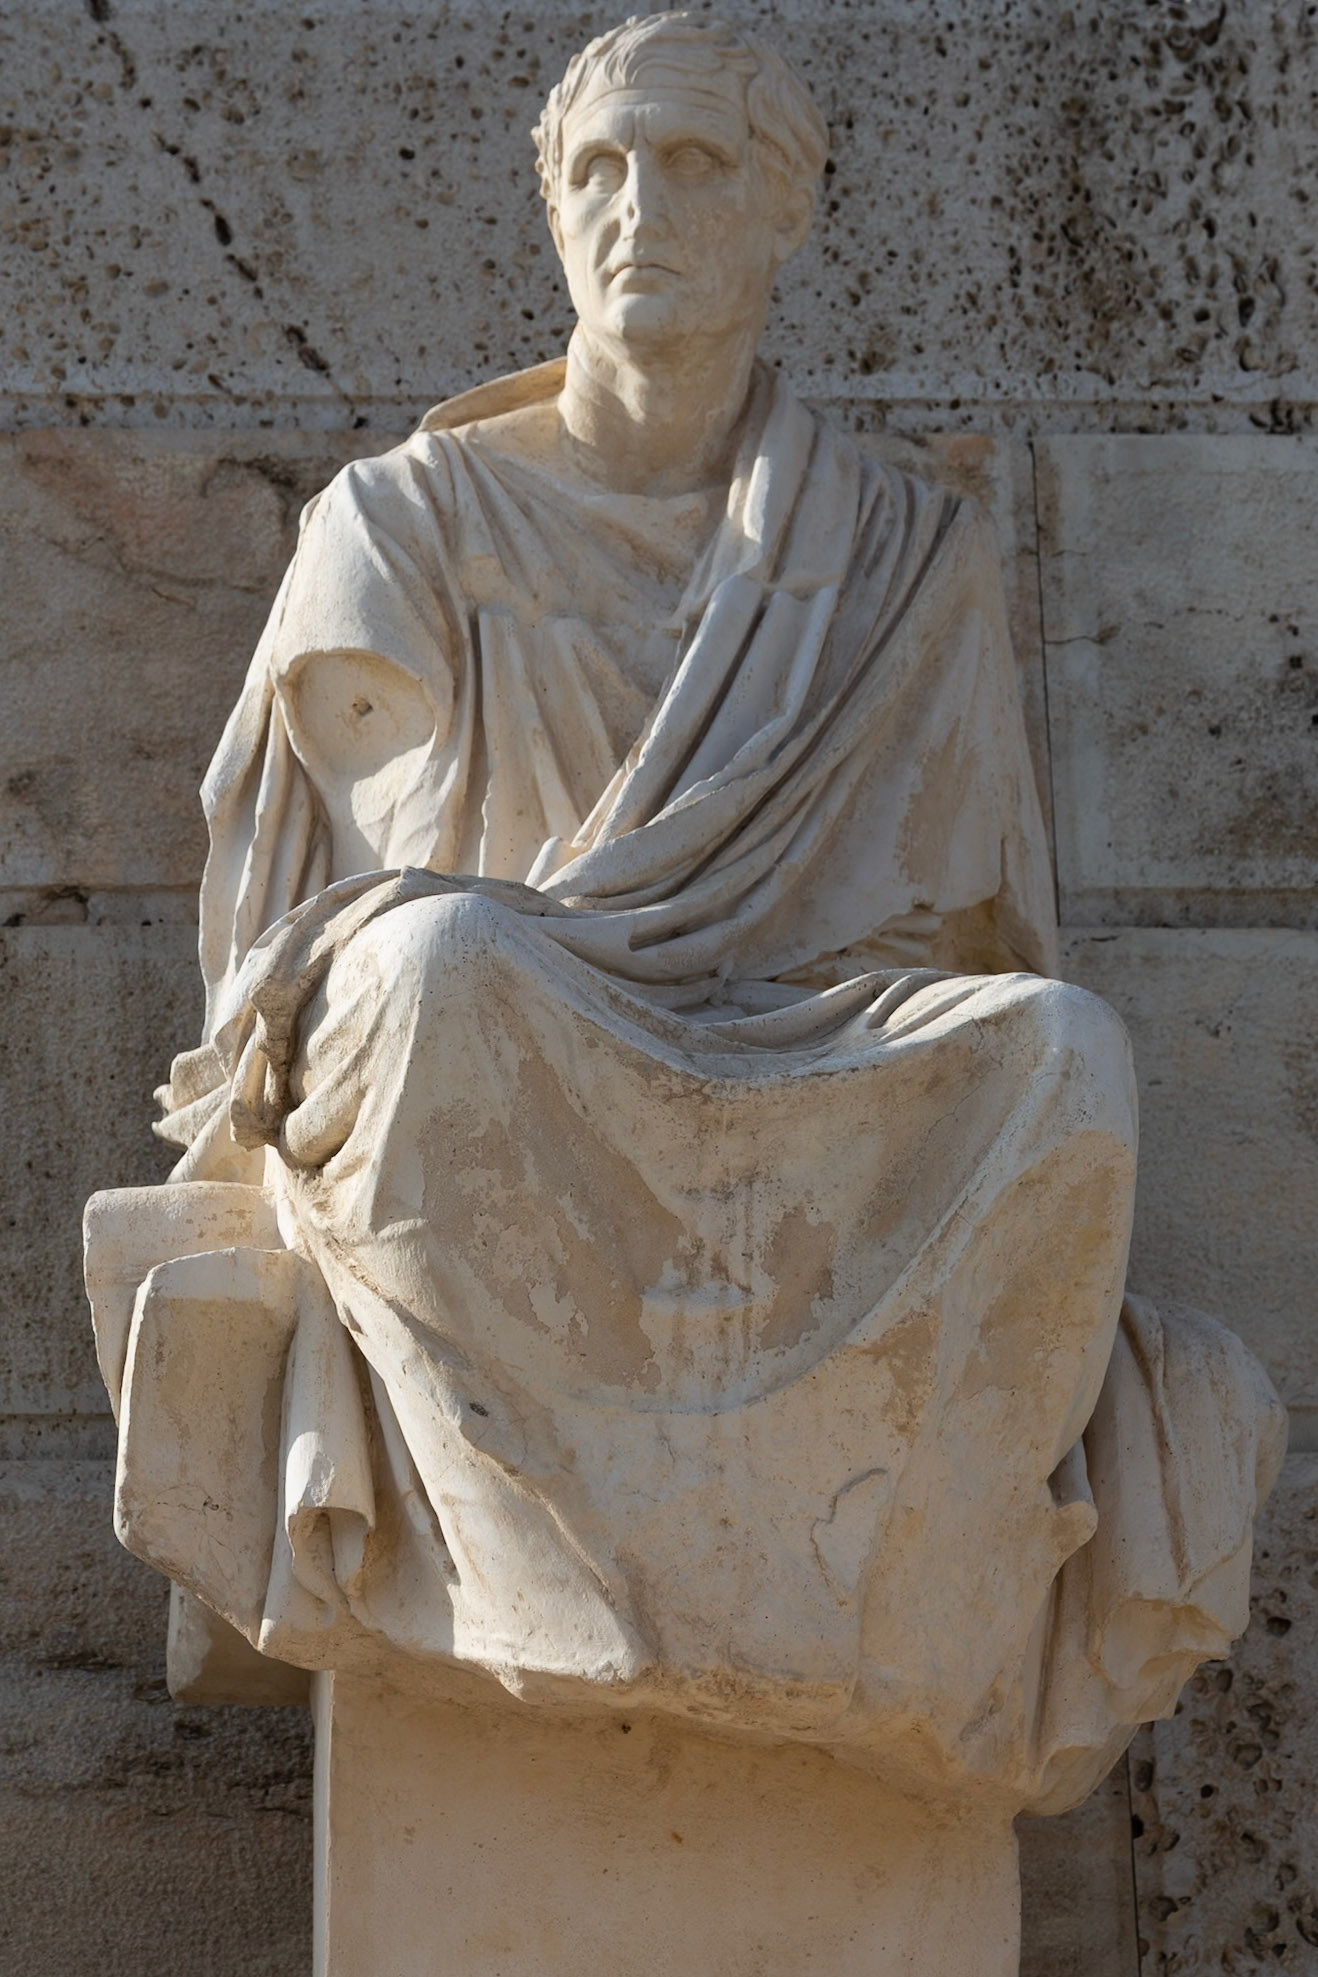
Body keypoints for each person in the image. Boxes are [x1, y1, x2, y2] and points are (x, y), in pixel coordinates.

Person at [94, 13, 1282, 1816]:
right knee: (439, 961)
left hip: (800, 1039)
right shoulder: (404, 523)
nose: (639, 205)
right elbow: (356, 896)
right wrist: (592, 982)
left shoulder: (898, 550)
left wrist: (787, 1034)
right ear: (553, 212)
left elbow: (965, 940)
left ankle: (892, 1584)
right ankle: (531, 1565)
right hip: (517, 1014)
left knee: (1059, 1054)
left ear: (788, 212)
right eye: (599, 167)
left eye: (696, 163)